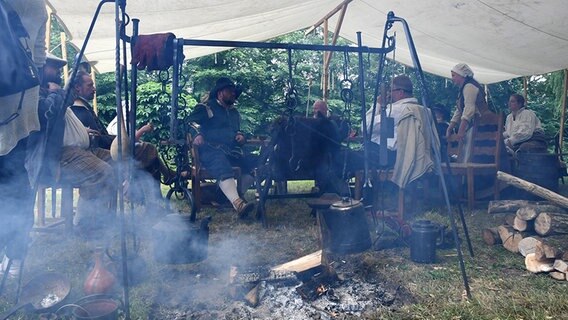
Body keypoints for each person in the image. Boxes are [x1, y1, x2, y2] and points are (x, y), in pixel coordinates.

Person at [39, 53, 117, 235]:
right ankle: (84, 222)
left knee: (119, 161)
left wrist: (84, 132)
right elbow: (49, 115)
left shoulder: (54, 92)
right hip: (61, 157)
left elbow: (64, 119)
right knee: (103, 171)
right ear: (41, 67)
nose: (58, 71)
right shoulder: (39, 95)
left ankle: (104, 219)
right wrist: (57, 92)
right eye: (53, 66)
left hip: (80, 150)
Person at [0, 0, 47, 278]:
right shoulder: (38, 5)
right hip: (21, 108)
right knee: (16, 186)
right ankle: (15, 259)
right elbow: (38, 60)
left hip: (12, 109)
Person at [70, 70, 179, 188]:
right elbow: (97, 140)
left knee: (147, 150)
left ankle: (156, 186)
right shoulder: (79, 111)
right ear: (77, 87)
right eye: (90, 85)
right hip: (106, 153)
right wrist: (121, 140)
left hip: (110, 149)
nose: (94, 88)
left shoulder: (84, 108)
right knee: (148, 149)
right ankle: (148, 189)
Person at [187, 77, 256, 218]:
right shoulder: (206, 108)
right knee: (220, 162)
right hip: (210, 152)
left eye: (233, 91)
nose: (233, 94)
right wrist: (196, 134)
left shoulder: (234, 113)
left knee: (255, 162)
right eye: (229, 91)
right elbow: (189, 123)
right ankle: (238, 204)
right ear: (220, 93)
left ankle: (225, 198)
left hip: (231, 152)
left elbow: (237, 130)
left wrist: (241, 136)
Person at [446, 63, 488, 162]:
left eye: (454, 75)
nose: (452, 78)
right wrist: (450, 127)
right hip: (474, 126)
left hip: (480, 126)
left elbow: (469, 109)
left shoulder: (469, 87)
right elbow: (459, 110)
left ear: (462, 75)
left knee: (467, 154)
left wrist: (461, 131)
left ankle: (467, 172)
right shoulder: (464, 88)